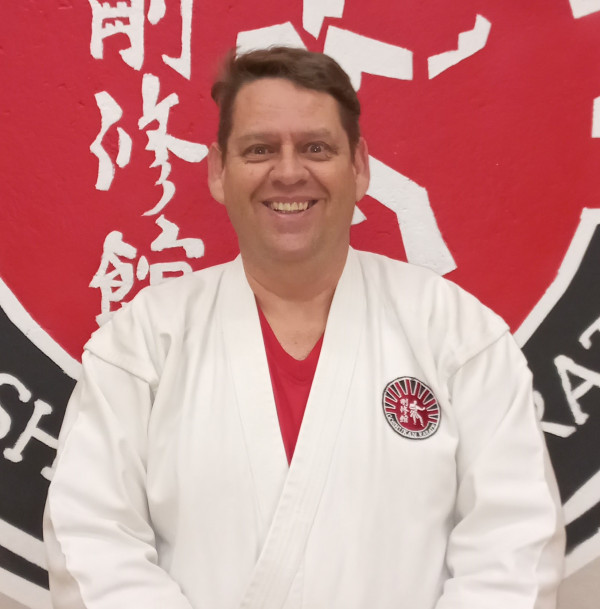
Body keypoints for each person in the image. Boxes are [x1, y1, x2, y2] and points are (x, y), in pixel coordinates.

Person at [44, 47, 564, 609]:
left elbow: (515, 546)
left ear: (359, 167)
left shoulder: (457, 333)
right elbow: (91, 542)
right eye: (259, 149)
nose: (289, 173)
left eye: (316, 148)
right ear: (218, 170)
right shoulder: (144, 341)